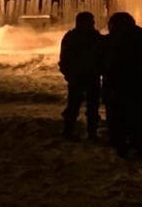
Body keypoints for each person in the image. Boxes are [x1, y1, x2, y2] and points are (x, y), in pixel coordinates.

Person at [58, 11, 103, 140]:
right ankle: (76, 131)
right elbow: (65, 58)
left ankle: (79, 131)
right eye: (91, 21)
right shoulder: (89, 37)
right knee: (80, 106)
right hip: (83, 76)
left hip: (85, 76)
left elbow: (64, 58)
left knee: (87, 106)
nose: (93, 23)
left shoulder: (73, 36)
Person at [102, 11, 142, 158]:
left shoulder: (111, 41)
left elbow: (101, 62)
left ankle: (121, 146)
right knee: (136, 116)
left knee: (118, 117)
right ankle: (136, 145)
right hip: (136, 85)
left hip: (117, 86)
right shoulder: (139, 36)